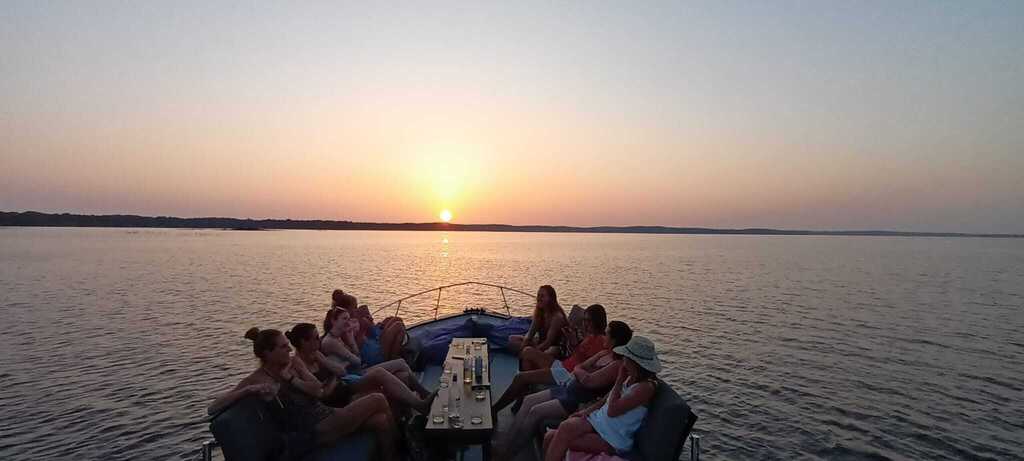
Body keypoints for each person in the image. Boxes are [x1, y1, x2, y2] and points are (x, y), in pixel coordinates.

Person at [207, 328, 399, 461]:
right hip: (311, 431)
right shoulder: (256, 380)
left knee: (380, 421)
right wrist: (247, 391)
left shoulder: (293, 364)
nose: (290, 349)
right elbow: (213, 408)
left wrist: (291, 379)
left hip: (325, 414)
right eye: (283, 347)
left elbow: (318, 391)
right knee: (377, 399)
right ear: (267, 353)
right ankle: (408, 443)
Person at [492, 321, 633, 461]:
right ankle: (506, 444)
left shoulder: (617, 365)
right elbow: (581, 367)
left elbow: (589, 381)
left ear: (614, 340)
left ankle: (508, 455)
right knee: (528, 401)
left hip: (576, 400)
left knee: (535, 411)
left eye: (607, 334)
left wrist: (580, 371)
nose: (604, 336)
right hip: (567, 389)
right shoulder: (604, 353)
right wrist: (581, 370)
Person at [542, 336, 661, 461]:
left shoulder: (646, 387)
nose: (623, 361)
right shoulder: (630, 377)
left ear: (634, 363)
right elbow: (604, 400)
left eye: (626, 358)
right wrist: (584, 412)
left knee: (556, 437)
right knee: (557, 431)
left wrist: (619, 380)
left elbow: (612, 410)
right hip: (598, 422)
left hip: (612, 438)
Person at [285, 322, 434, 415]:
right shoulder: (298, 364)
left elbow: (341, 372)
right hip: (338, 396)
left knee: (402, 375)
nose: (319, 340)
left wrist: (327, 366)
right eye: (316, 338)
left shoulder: (316, 355)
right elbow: (322, 392)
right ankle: (421, 404)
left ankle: (408, 418)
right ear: (304, 342)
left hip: (344, 384)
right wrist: (333, 379)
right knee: (381, 373)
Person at [492, 304, 609, 412]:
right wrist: (573, 342)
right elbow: (578, 355)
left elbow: (587, 365)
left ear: (597, 321)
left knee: (520, 377)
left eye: (589, 321)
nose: (585, 324)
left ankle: (495, 410)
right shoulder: (589, 336)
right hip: (563, 364)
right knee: (527, 352)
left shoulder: (601, 341)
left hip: (566, 373)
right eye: (584, 320)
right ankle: (522, 396)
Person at [321, 307, 432, 397]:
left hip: (359, 370)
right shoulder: (331, 342)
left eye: (349, 319)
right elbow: (356, 361)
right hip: (353, 376)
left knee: (402, 369)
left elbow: (356, 359)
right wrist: (350, 357)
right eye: (344, 319)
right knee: (401, 366)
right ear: (333, 321)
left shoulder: (340, 336)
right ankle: (422, 394)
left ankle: (420, 395)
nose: (348, 322)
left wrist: (350, 340)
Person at [332, 289, 408, 363]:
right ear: (348, 309)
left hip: (373, 343)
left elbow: (371, 333)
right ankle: (392, 359)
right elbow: (369, 334)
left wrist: (367, 321)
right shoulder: (350, 325)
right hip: (374, 353)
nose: (357, 309)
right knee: (399, 325)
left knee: (395, 320)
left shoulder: (349, 322)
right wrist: (366, 322)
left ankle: (395, 355)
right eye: (355, 307)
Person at [507, 285, 569, 357]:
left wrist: (531, 350)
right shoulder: (540, 313)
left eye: (542, 296)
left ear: (551, 299)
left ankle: (531, 356)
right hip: (541, 343)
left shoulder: (557, 317)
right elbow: (530, 334)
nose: (539, 299)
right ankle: (528, 354)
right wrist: (524, 345)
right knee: (512, 339)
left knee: (550, 351)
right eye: (538, 295)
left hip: (555, 347)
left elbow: (548, 343)